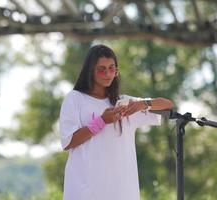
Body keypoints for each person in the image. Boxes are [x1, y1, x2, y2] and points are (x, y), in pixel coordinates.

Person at [59, 44, 174, 200]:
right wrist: (100, 122)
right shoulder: (75, 98)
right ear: (90, 71)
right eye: (101, 69)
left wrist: (143, 104)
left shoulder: (124, 103)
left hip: (122, 191)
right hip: (86, 190)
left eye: (112, 68)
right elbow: (68, 141)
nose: (108, 74)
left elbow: (167, 104)